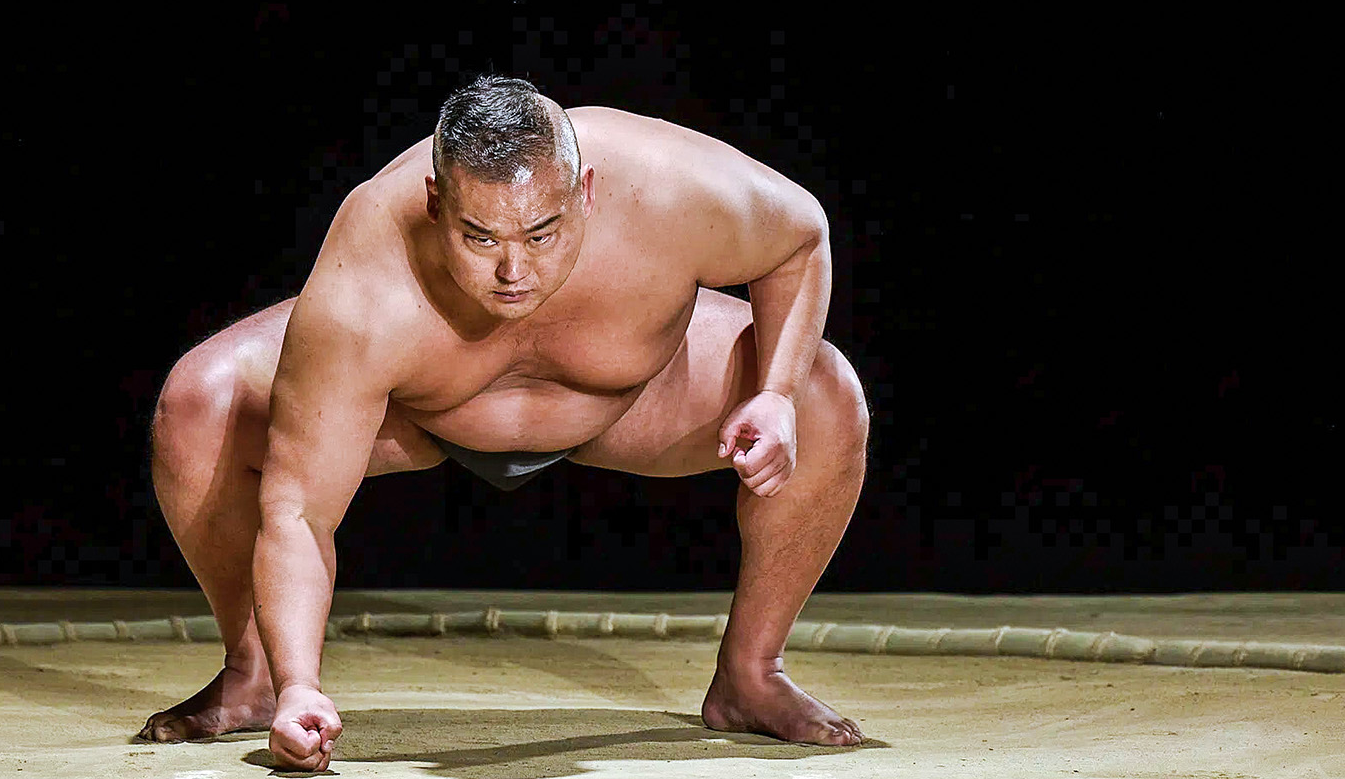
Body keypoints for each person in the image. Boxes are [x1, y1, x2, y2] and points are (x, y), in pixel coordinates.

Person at [138, 76, 870, 771]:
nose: (513, 271)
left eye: (543, 234)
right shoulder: (366, 276)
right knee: (200, 403)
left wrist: (775, 393)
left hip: (635, 398)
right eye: (481, 238)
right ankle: (260, 676)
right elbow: (300, 511)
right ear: (435, 202)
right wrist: (303, 682)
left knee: (824, 393)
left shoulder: (669, 186)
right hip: (409, 416)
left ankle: (752, 673)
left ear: (586, 192)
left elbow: (801, 237)